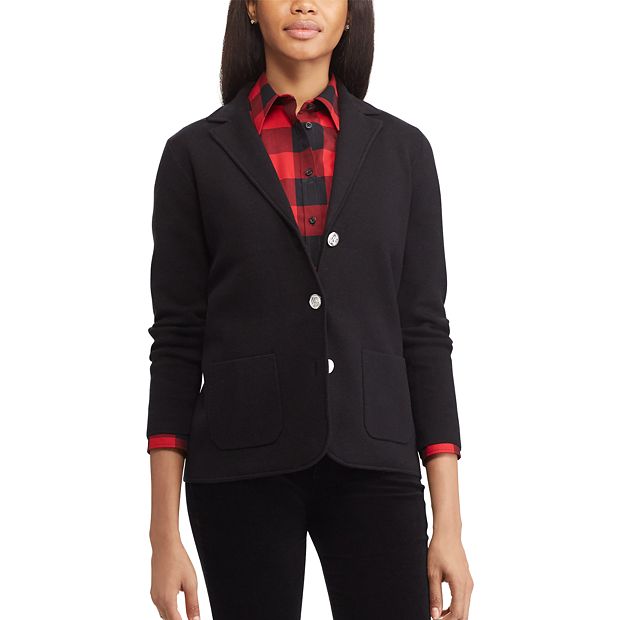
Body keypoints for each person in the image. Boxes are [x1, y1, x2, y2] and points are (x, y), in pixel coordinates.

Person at [147, 1, 474, 619]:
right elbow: (177, 340)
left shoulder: (403, 152)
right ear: (250, 7)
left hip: (375, 457)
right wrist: (164, 536)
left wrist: (449, 526)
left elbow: (425, 334)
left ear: (351, 13)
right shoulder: (194, 154)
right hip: (239, 464)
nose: (303, 4)